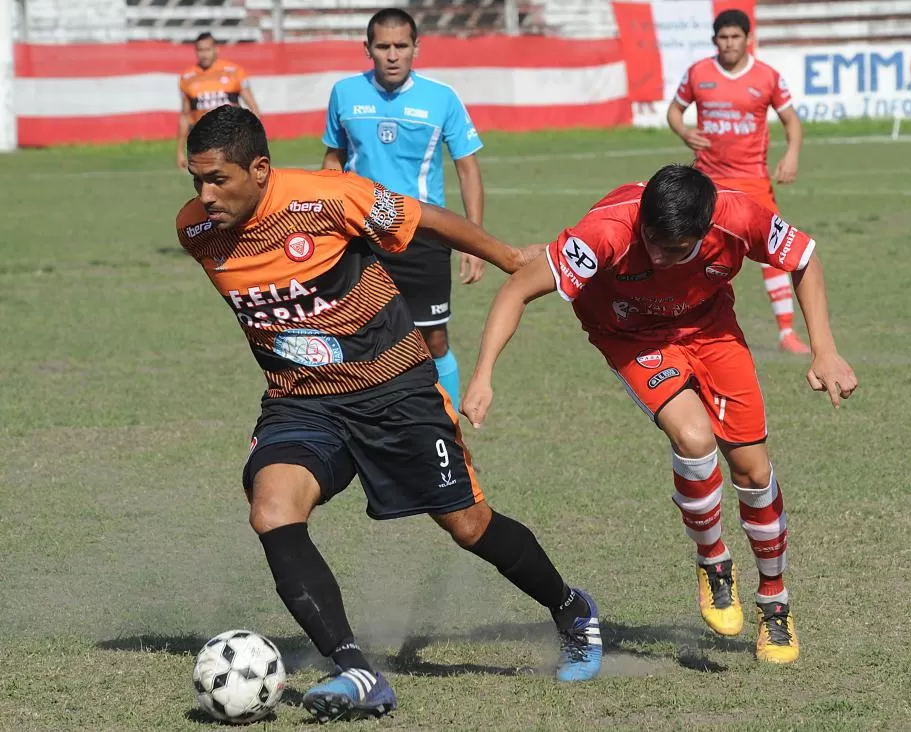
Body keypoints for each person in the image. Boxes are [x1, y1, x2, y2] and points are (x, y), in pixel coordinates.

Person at [176, 105, 602, 721]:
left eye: (218, 179)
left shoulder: (328, 198)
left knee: (467, 525)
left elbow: (424, 217)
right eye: (196, 181)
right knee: (271, 510)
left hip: (395, 390)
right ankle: (355, 669)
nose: (205, 195)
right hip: (299, 402)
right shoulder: (197, 232)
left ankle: (570, 608)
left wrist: (511, 259)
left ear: (260, 169)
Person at [461, 165, 859, 664]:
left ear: (706, 228)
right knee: (693, 438)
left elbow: (803, 257)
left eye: (673, 249)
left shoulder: (738, 217)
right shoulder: (606, 232)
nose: (655, 255)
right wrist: (483, 374)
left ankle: (775, 604)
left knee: (753, 470)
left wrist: (824, 349)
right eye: (650, 240)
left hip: (710, 329)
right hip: (631, 337)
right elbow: (518, 288)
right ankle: (713, 559)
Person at [322, 8, 484, 408]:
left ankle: (447, 421)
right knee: (359, 334)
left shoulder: (441, 99)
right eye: (383, 46)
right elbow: (331, 162)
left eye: (400, 46)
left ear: (416, 48)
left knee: (433, 337)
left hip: (424, 236)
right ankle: (367, 415)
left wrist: (472, 240)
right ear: (367, 49)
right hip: (361, 236)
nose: (392, 55)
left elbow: (468, 170)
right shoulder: (344, 93)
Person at [667, 9, 810, 354]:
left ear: (748, 39)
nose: (729, 43)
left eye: (735, 37)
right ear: (715, 40)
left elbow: (791, 122)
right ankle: (684, 324)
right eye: (723, 37)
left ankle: (787, 333)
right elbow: (674, 111)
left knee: (772, 255)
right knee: (696, 251)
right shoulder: (698, 73)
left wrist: (791, 155)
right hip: (707, 182)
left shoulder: (767, 77)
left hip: (753, 181)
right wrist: (685, 132)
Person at [177, 32, 261, 169]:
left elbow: (254, 109)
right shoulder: (187, 77)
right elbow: (185, 116)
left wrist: (252, 141)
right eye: (200, 50)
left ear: (216, 49)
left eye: (207, 50)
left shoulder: (234, 71)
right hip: (203, 141)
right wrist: (180, 151)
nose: (204, 54)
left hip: (231, 139)